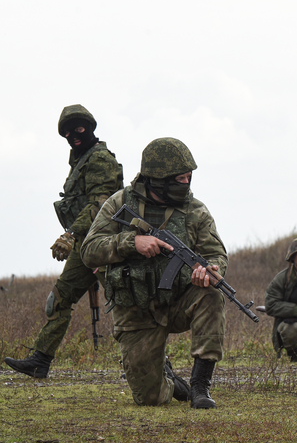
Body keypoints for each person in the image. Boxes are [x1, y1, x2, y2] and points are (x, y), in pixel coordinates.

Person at [80, 137, 226, 409]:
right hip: (134, 310)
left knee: (212, 296)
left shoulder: (195, 211)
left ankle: (200, 386)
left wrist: (210, 271)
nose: (186, 183)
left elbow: (216, 254)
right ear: (156, 179)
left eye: (188, 177)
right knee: (149, 399)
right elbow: (88, 250)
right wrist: (130, 243)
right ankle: (171, 380)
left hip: (178, 302)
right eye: (178, 178)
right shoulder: (119, 202)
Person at [4, 104, 123, 378]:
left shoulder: (100, 159)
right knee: (58, 300)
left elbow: (100, 204)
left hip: (106, 244)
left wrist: (70, 234)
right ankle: (40, 361)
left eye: (79, 129)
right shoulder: (81, 160)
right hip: (85, 244)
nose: (74, 135)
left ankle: (151, 364)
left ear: (90, 128)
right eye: (68, 132)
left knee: (125, 304)